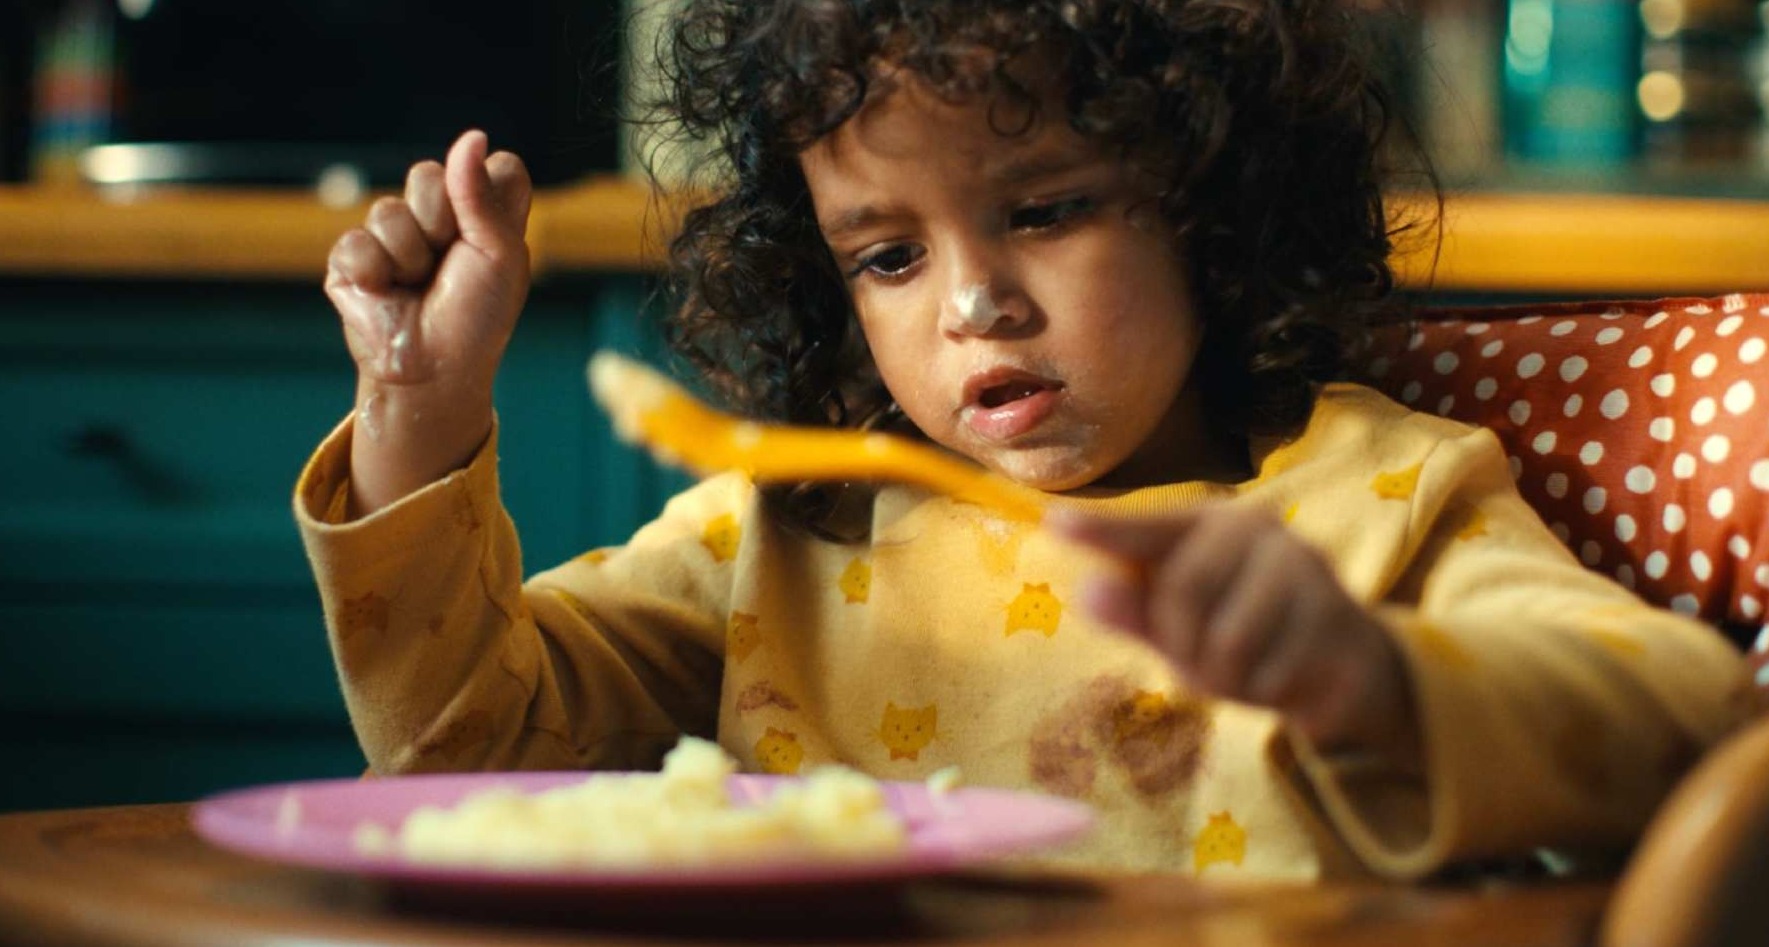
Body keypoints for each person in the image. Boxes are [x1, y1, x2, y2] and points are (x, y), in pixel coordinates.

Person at [297, 0, 1746, 880]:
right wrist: (417, 411)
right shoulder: (782, 541)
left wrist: (1372, 676)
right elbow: (458, 750)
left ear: (1209, 205)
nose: (974, 304)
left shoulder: (1381, 496)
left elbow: (1676, 717)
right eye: (885, 257)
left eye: (1043, 210)